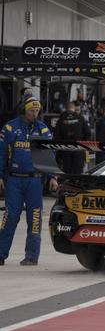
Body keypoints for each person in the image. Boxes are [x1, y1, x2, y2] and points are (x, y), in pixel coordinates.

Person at [0, 96, 58, 266]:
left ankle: (31, 256)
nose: (34, 113)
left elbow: (50, 155)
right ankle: (1, 254)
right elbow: (1, 154)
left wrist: (53, 177)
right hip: (14, 180)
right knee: (10, 217)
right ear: (24, 109)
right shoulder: (10, 127)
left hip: (35, 180)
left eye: (37, 110)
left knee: (35, 218)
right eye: (31, 110)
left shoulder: (43, 130)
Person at [54, 101, 91, 174]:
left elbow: (56, 136)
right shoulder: (80, 117)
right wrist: (82, 143)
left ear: (66, 108)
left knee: (67, 173)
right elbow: (88, 133)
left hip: (66, 150)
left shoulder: (61, 119)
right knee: (78, 174)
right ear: (74, 108)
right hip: (78, 149)